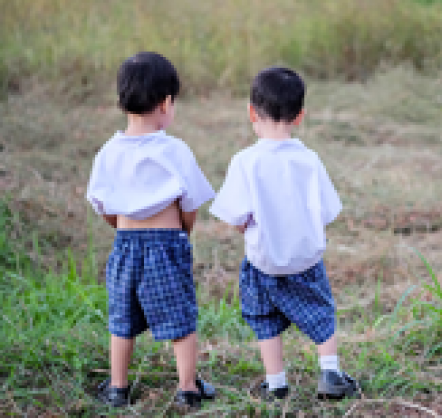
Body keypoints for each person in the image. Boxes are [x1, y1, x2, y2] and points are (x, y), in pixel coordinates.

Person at [210, 67, 359, 402]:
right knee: (320, 313)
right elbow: (327, 212)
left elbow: (236, 217)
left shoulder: (245, 162)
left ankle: (276, 382)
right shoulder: (309, 160)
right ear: (300, 116)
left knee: (264, 320)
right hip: (305, 259)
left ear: (251, 112)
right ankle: (331, 371)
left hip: (263, 261)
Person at [86, 52, 216, 409]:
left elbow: (104, 207)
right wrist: (182, 232)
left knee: (121, 319)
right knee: (180, 318)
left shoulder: (108, 152)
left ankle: (117, 387)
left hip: (125, 244)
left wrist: (123, 227)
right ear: (166, 102)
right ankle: (188, 387)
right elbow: (190, 205)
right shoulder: (175, 150)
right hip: (166, 243)